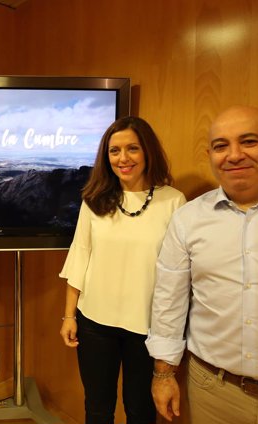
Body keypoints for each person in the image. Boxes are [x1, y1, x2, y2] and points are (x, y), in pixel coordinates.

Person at [146, 105, 258, 424]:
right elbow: (168, 300)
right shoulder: (188, 219)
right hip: (213, 395)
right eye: (221, 146)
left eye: (249, 141)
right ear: (210, 154)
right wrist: (163, 374)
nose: (234, 155)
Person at [59, 116, 185, 424]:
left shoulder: (174, 202)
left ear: (147, 152)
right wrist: (68, 316)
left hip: (147, 328)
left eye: (132, 149)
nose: (123, 158)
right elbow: (80, 256)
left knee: (140, 411)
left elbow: (180, 275)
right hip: (95, 324)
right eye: (114, 151)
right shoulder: (94, 200)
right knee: (98, 409)